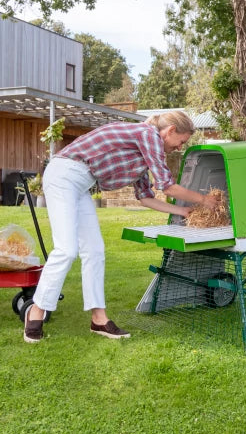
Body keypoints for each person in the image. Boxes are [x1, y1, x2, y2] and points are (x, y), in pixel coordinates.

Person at [24, 111, 218, 343]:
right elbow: (167, 186)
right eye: (181, 142)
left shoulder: (144, 151)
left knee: (94, 251)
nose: (179, 148)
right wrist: (204, 200)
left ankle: (99, 319)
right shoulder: (148, 135)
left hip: (83, 182)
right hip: (64, 173)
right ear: (170, 131)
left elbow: (145, 198)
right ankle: (36, 311)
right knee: (66, 249)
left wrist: (183, 211)